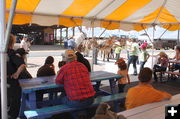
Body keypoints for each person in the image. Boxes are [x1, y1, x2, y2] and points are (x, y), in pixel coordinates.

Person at [7, 34, 26, 119]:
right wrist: (17, 74)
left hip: (4, 81)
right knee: (15, 103)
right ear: (12, 43)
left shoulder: (2, 52)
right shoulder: (11, 53)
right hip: (12, 83)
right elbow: (22, 65)